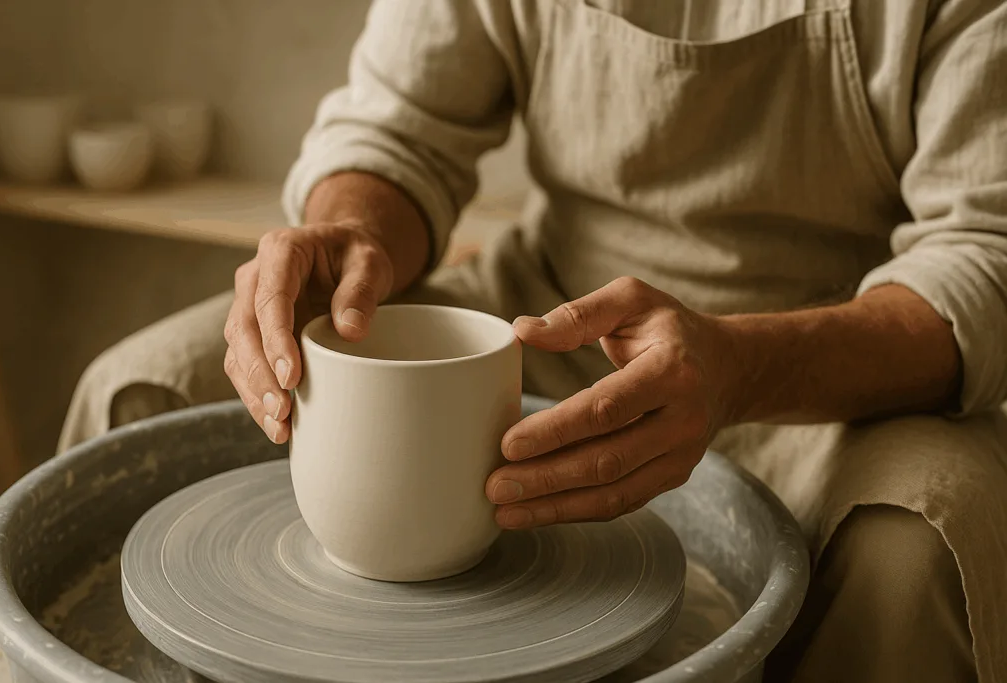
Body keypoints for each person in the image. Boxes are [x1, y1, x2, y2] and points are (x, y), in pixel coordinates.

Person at [60, 2, 1007, 681]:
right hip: (554, 314)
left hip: (828, 359)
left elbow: (984, 254)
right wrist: (352, 232)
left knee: (913, 548)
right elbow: (401, 126)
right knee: (143, 387)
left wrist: (739, 365)